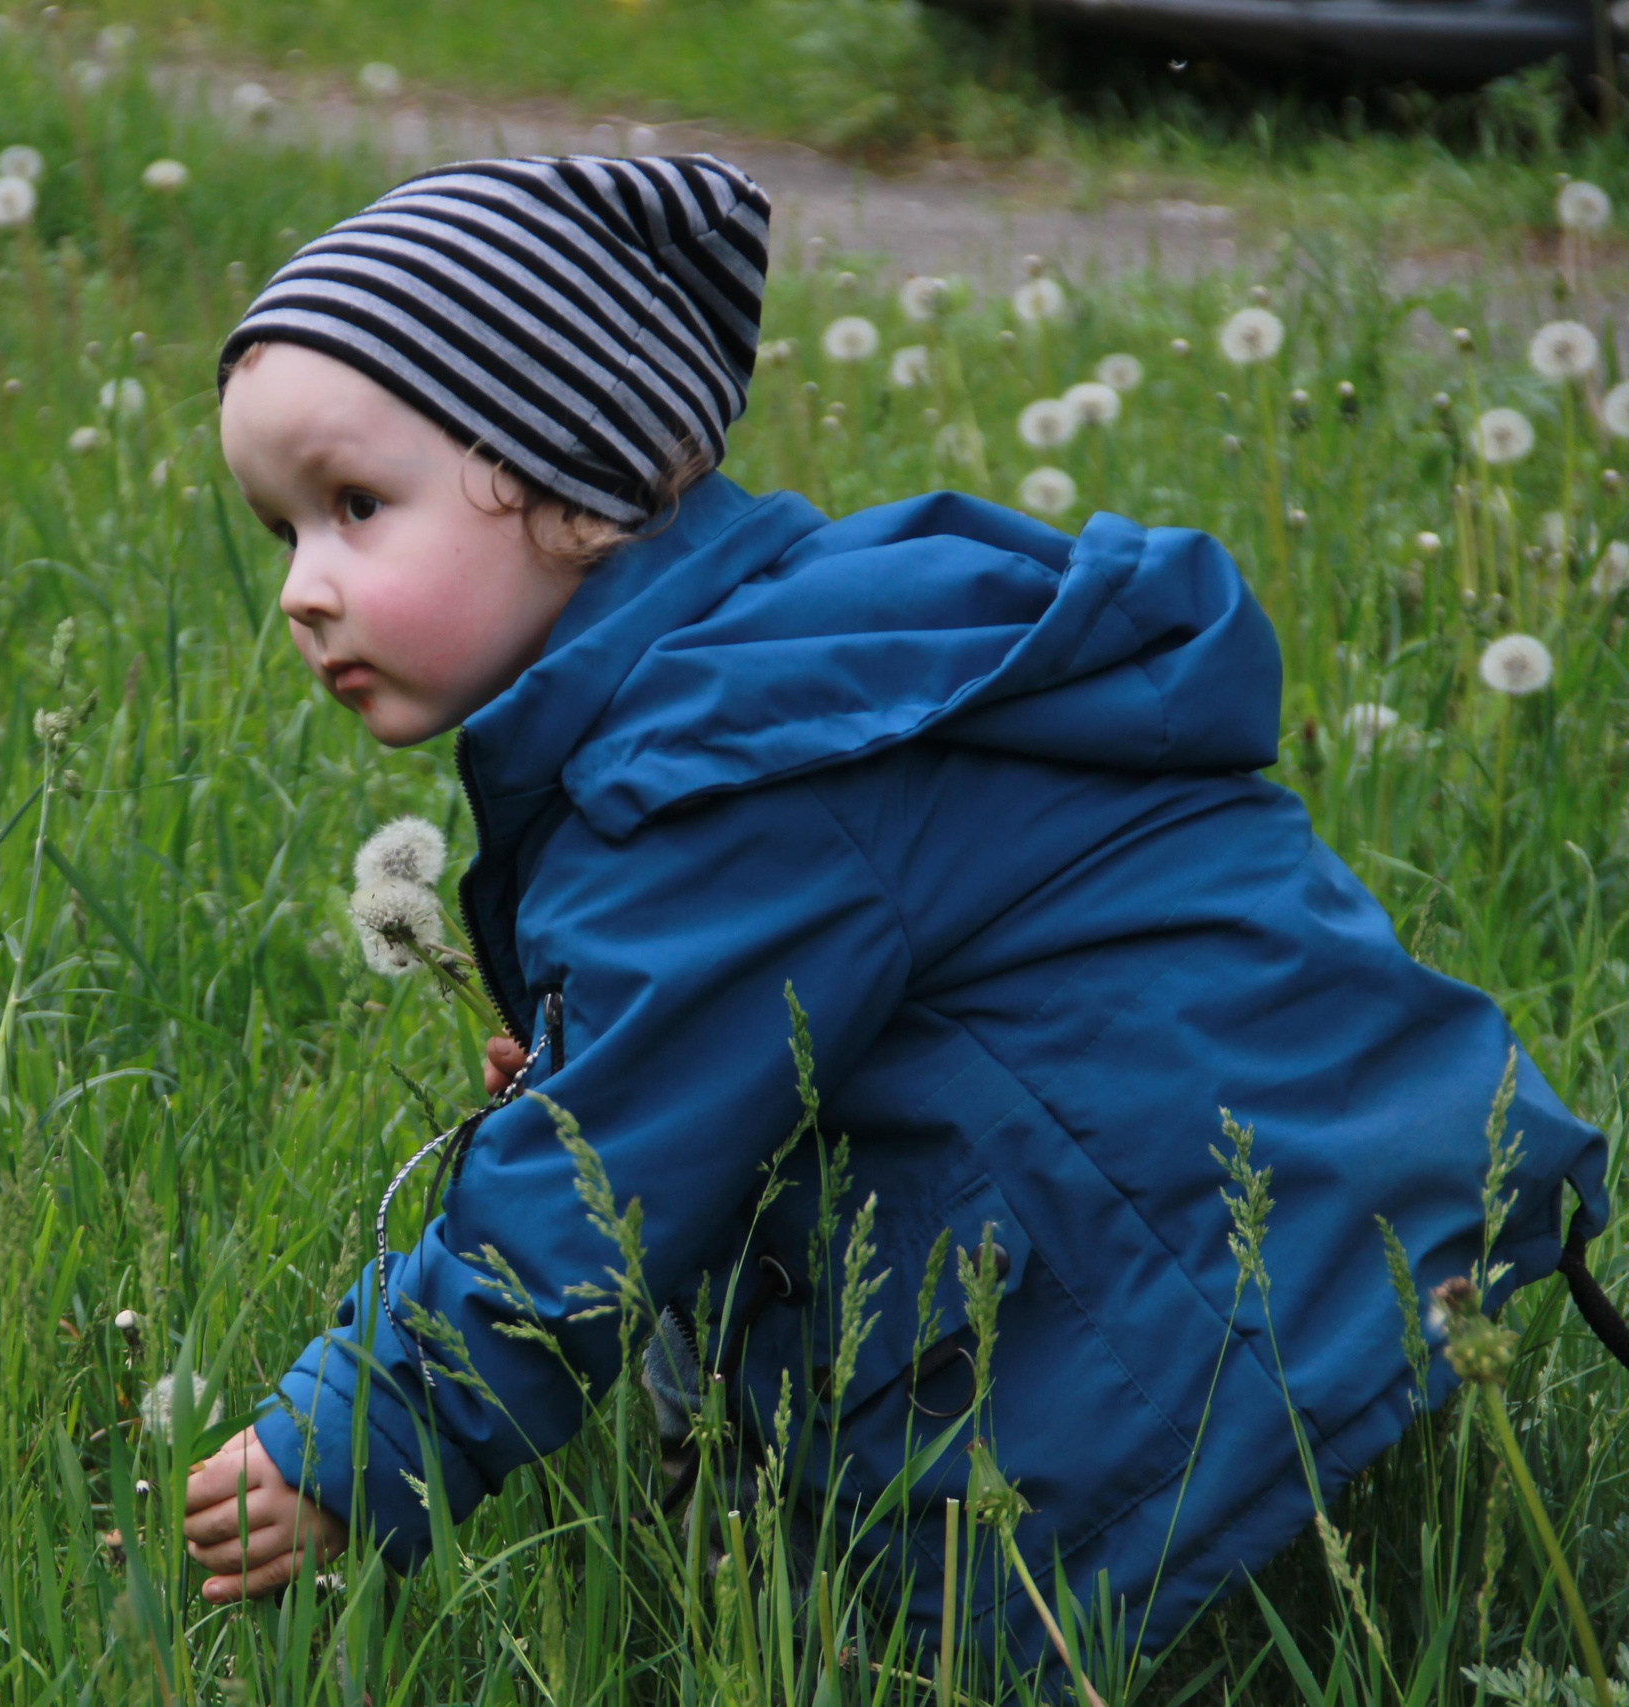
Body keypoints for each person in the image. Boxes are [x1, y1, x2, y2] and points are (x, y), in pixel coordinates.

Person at [179, 153, 1612, 1655]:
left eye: (356, 505)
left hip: (1211, 1295)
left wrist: (360, 1432)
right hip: (1326, 1183)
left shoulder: (729, 772)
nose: (303, 589)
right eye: (285, 532)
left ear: (577, 485)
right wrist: (603, 1031)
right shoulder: (780, 673)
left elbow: (597, 1184)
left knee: (977, 1659)